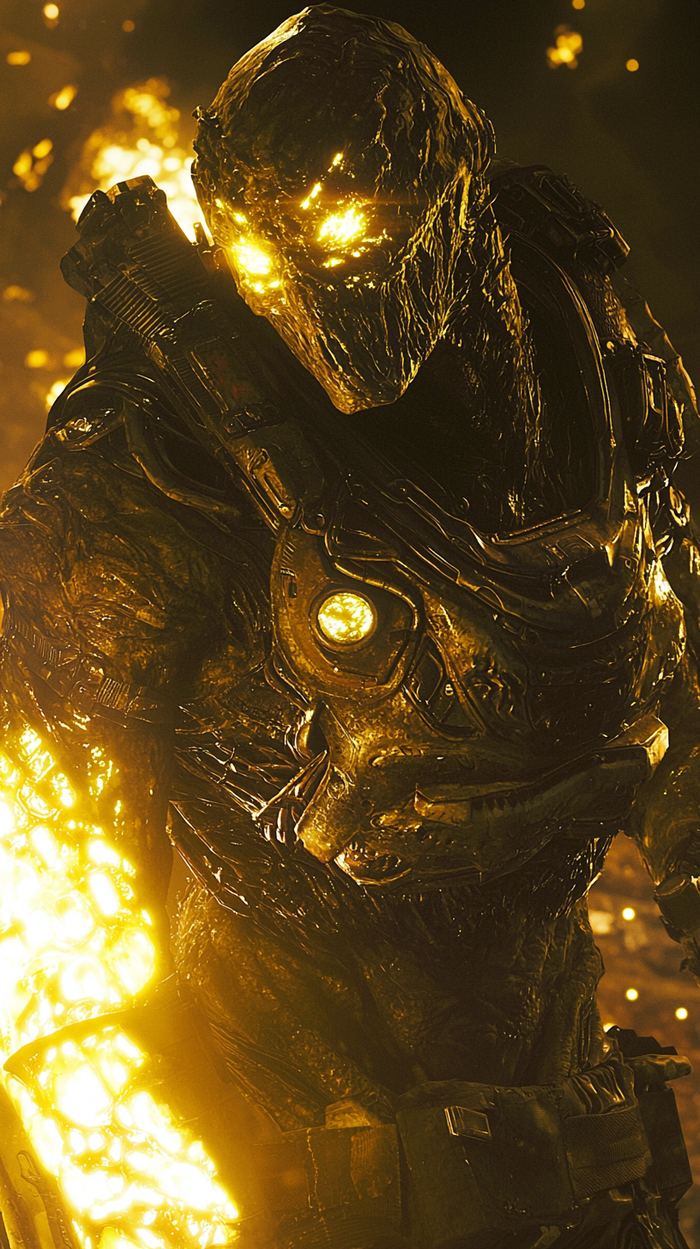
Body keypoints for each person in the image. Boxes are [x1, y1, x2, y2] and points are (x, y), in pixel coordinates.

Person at [1, 6, 699, 1247]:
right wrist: (132, 1205)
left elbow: (669, 676)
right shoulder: (147, 484)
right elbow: (41, 899)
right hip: (280, 1172)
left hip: (570, 1154)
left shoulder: (599, 387)